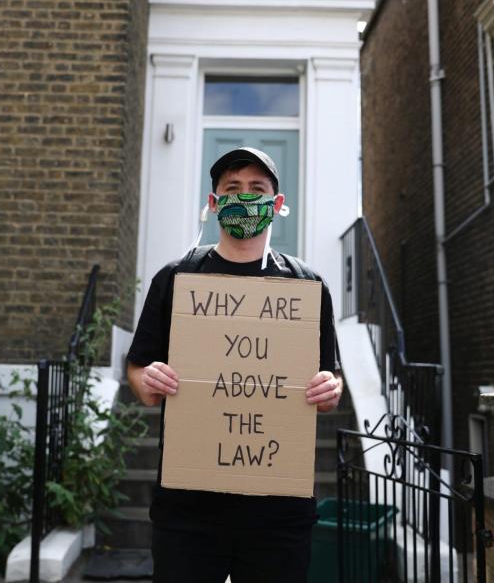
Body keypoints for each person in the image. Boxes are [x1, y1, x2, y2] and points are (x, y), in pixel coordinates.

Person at [126, 147, 344, 582]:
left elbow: (329, 382)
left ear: (277, 205)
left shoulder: (306, 286)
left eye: (257, 189)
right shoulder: (176, 278)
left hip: (277, 514)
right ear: (213, 202)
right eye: (232, 189)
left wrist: (329, 389)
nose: (244, 198)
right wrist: (146, 377)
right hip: (188, 511)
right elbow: (137, 372)